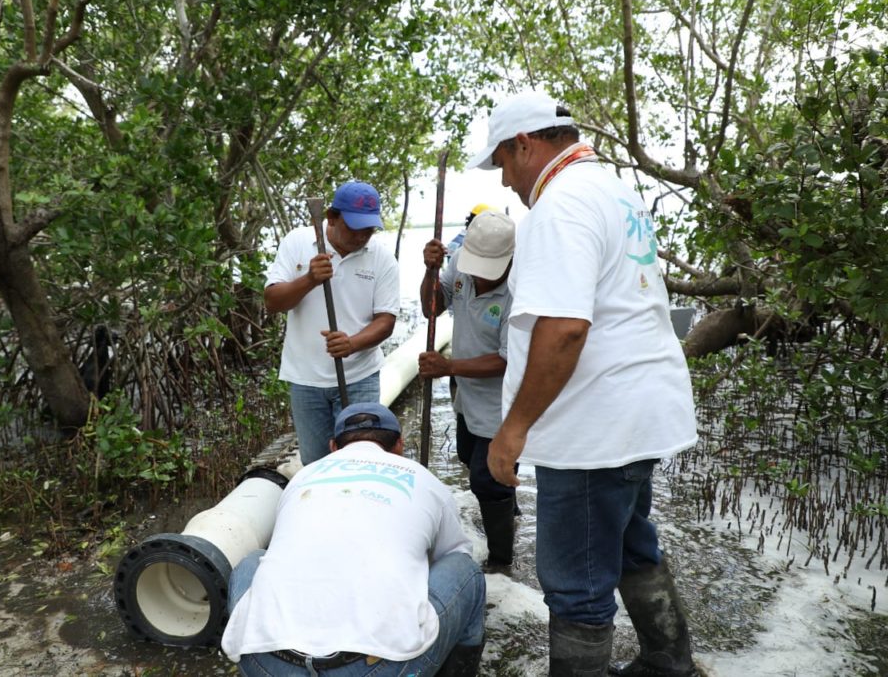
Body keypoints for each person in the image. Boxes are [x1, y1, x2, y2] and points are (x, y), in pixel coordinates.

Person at [466, 90, 700, 676]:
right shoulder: (614, 188)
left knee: (574, 584)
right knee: (629, 542)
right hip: (639, 414)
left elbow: (565, 329)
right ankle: (668, 662)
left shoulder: (561, 203)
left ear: (525, 144)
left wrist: (512, 430)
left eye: (502, 164)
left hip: (595, 429)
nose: (504, 183)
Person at [221, 402, 486, 677]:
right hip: (376, 667)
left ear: (334, 447)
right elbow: (452, 555)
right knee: (467, 572)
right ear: (399, 446)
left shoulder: (302, 478)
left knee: (252, 560)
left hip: (267, 662)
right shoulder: (426, 481)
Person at [264, 181, 399, 466]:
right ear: (331, 217)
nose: (362, 235)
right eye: (354, 227)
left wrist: (352, 343)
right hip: (305, 380)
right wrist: (310, 279)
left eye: (369, 229)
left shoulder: (382, 258)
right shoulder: (298, 242)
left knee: (360, 461)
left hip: (359, 377)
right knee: (316, 464)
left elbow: (386, 320)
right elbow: (273, 301)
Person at [418, 210, 518, 568]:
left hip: (503, 400)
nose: (477, 276)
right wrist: (430, 270)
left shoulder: (520, 288)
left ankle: (502, 560)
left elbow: (508, 359)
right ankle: (510, 503)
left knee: (485, 479)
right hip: (466, 390)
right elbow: (433, 306)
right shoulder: (461, 261)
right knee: (467, 455)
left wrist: (449, 366)